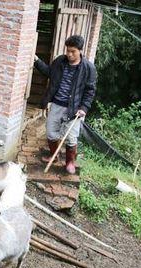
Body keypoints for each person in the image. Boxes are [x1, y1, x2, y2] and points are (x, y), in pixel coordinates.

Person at [34, 35, 97, 174]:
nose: (69, 54)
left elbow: (90, 91)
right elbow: (49, 72)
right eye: (68, 50)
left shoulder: (88, 68)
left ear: (80, 50)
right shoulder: (60, 61)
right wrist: (37, 61)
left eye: (72, 51)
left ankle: (70, 163)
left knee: (71, 137)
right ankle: (54, 155)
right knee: (51, 132)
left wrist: (84, 108)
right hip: (57, 104)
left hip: (74, 109)